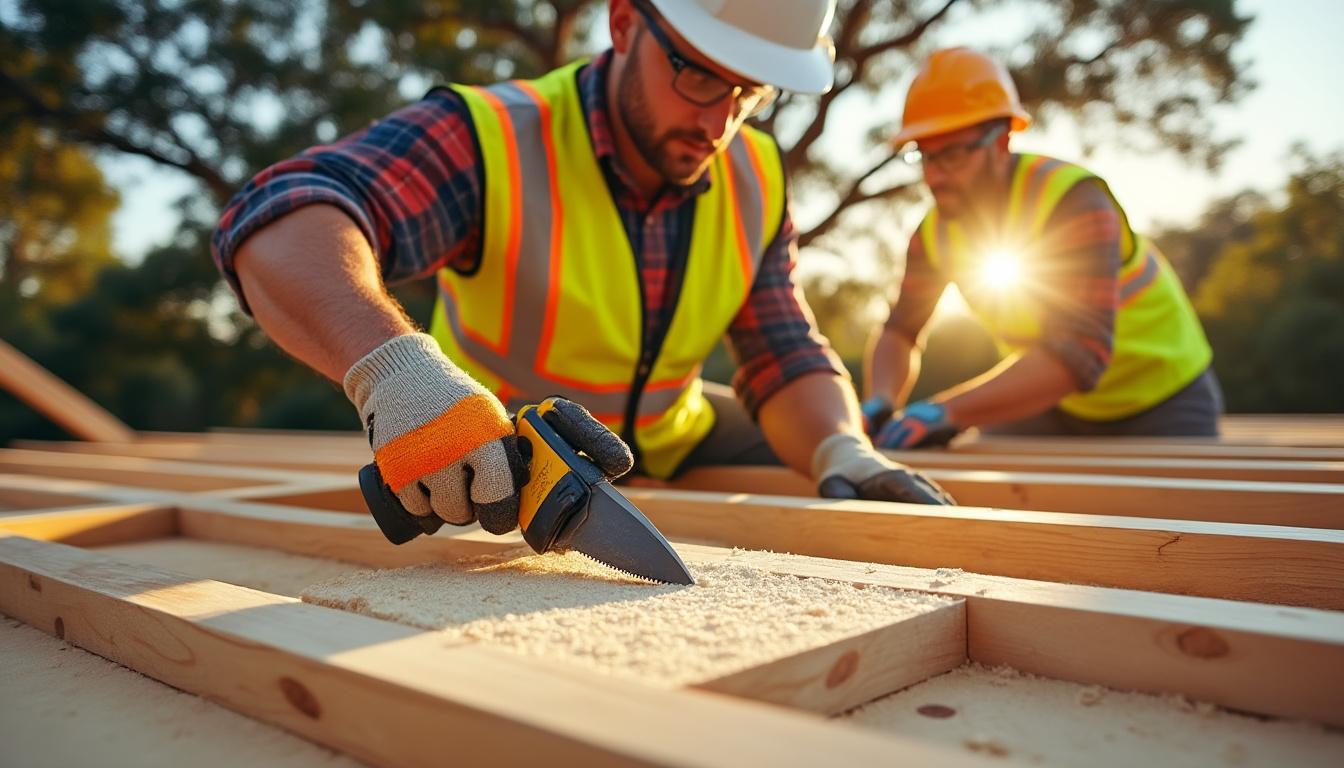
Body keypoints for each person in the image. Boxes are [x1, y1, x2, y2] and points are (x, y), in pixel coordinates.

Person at [211, 0, 954, 537]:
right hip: (499, 463)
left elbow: (782, 348)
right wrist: (394, 372)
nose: (717, 122)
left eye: (749, 93)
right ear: (625, 22)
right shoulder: (496, 136)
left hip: (674, 436)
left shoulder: (754, 172)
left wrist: (840, 447)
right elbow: (279, 214)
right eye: (700, 77)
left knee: (842, 461)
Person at [863, 47, 1222, 450]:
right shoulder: (933, 233)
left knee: (1174, 513)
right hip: (1052, 402)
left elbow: (1079, 353)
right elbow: (900, 330)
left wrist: (946, 411)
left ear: (1001, 141)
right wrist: (880, 401)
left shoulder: (1072, 200)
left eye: (952, 154)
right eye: (924, 156)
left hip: (1162, 400)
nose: (934, 175)